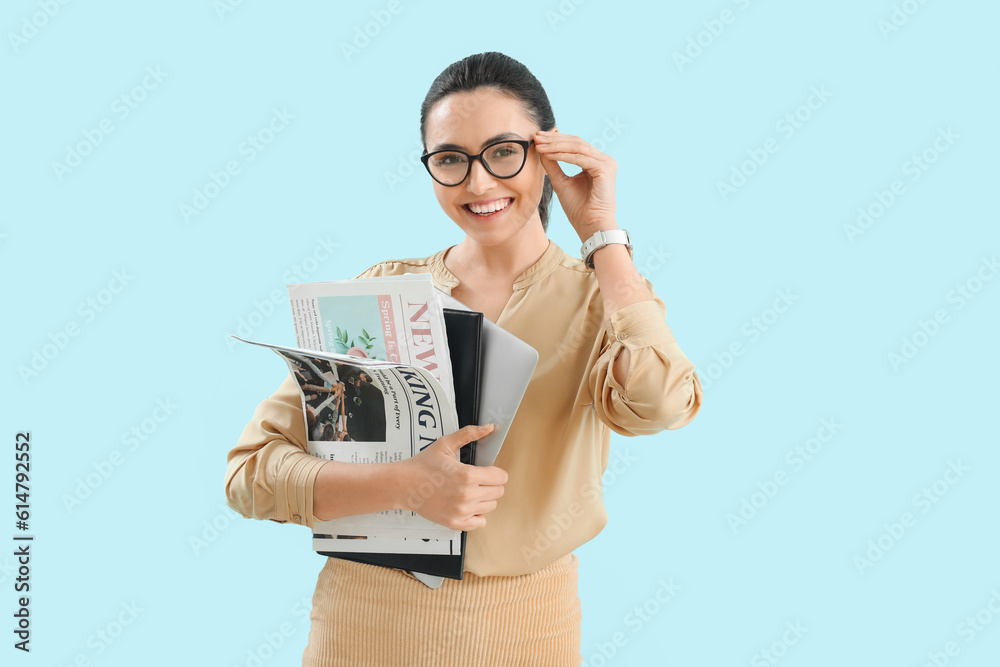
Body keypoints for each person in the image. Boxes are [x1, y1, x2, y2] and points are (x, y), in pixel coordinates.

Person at [224, 51, 703, 666]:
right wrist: (404, 485)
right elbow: (251, 474)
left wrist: (602, 234)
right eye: (450, 159)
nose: (478, 184)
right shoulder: (380, 293)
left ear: (548, 154)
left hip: (525, 631)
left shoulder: (604, 300)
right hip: (362, 625)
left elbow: (661, 404)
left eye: (503, 151)